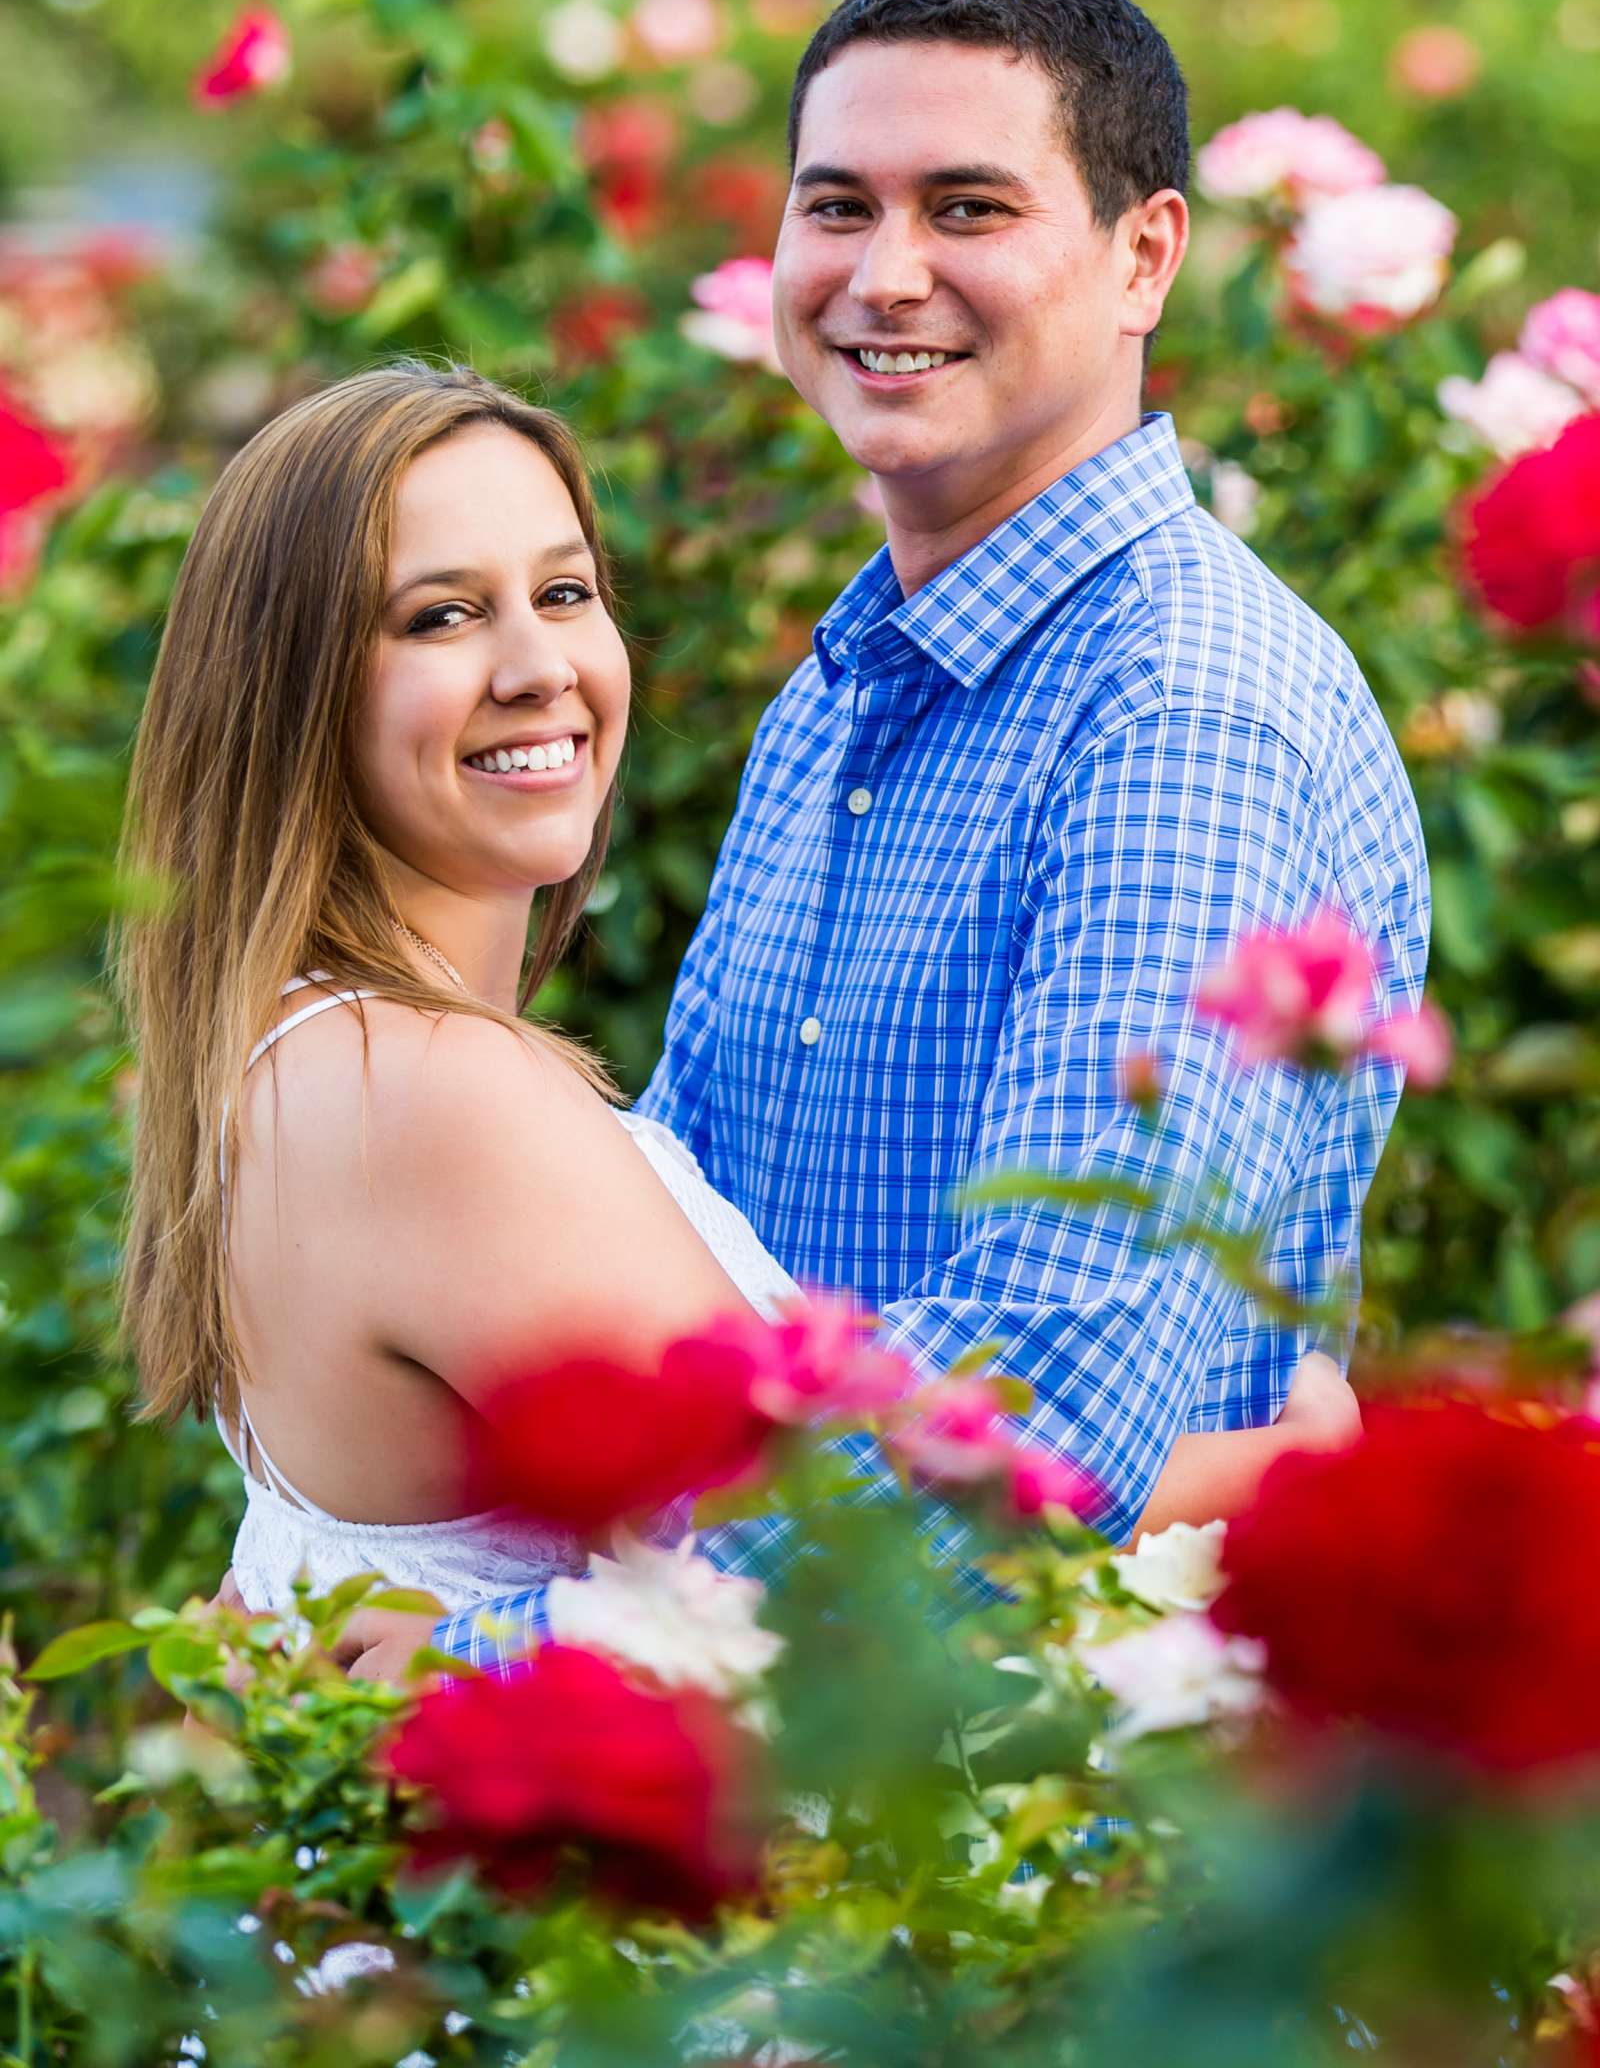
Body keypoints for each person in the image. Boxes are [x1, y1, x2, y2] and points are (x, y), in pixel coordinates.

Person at [338, 0, 1425, 1680]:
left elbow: (1048, 1401)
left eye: (971, 207)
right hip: (795, 1791)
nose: (883, 274)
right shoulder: (850, 685)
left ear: (1147, 255)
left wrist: (494, 1656)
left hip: (1022, 1837)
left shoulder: (1180, 717)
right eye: (836, 205)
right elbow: (675, 1271)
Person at [120, 360, 1331, 1629]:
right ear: (292, 692)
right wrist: (1270, 1475)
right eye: (439, 617)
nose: (539, 667)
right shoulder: (426, 1092)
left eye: (563, 591)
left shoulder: (309, 1050)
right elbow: (845, 1543)